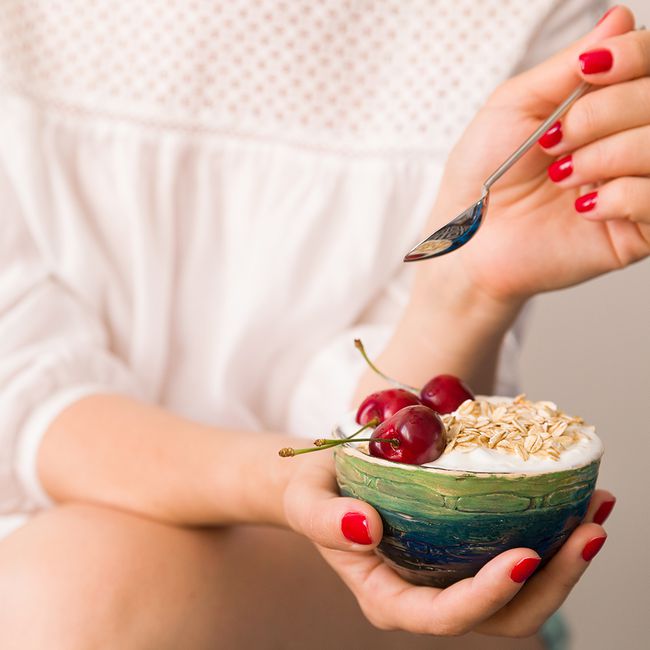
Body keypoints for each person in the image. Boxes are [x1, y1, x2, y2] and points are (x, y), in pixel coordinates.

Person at [0, 1, 647, 648]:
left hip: (336, 583)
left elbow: (390, 455)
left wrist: (464, 291)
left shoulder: (534, 15)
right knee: (69, 593)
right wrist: (285, 483)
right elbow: (26, 397)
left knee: (72, 599)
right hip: (56, 561)